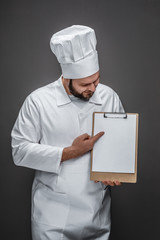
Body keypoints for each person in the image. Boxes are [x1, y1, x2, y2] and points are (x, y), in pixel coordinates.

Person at [11, 25, 124, 240]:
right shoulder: (38, 101)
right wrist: (71, 151)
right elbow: (19, 151)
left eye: (96, 80)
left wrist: (114, 172)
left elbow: (117, 147)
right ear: (67, 77)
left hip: (97, 213)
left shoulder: (109, 97)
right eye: (84, 84)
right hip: (52, 217)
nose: (93, 88)